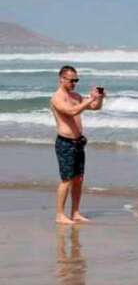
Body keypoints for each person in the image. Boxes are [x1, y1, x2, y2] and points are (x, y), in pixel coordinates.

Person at [50, 65, 105, 224]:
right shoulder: (57, 98)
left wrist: (99, 98)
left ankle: (75, 212)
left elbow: (95, 107)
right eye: (71, 80)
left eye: (76, 80)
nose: (74, 83)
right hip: (65, 143)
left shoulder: (76, 96)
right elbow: (71, 111)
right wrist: (90, 99)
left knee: (78, 179)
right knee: (66, 180)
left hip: (78, 142)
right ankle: (60, 214)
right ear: (62, 79)